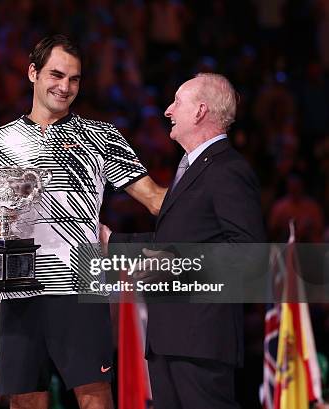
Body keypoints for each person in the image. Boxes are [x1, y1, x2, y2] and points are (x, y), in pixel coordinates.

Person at [0, 34, 166, 409]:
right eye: (56, 75)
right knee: (25, 399)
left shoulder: (101, 137)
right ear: (33, 73)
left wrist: (205, 197)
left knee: (94, 397)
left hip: (80, 282)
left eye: (74, 79)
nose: (65, 87)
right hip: (19, 283)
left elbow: (154, 198)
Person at [105, 73, 266, 409]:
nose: (167, 110)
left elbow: (248, 256)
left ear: (200, 112)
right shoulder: (192, 169)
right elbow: (178, 240)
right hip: (170, 340)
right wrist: (115, 243)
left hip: (201, 342)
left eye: (177, 101)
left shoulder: (227, 170)